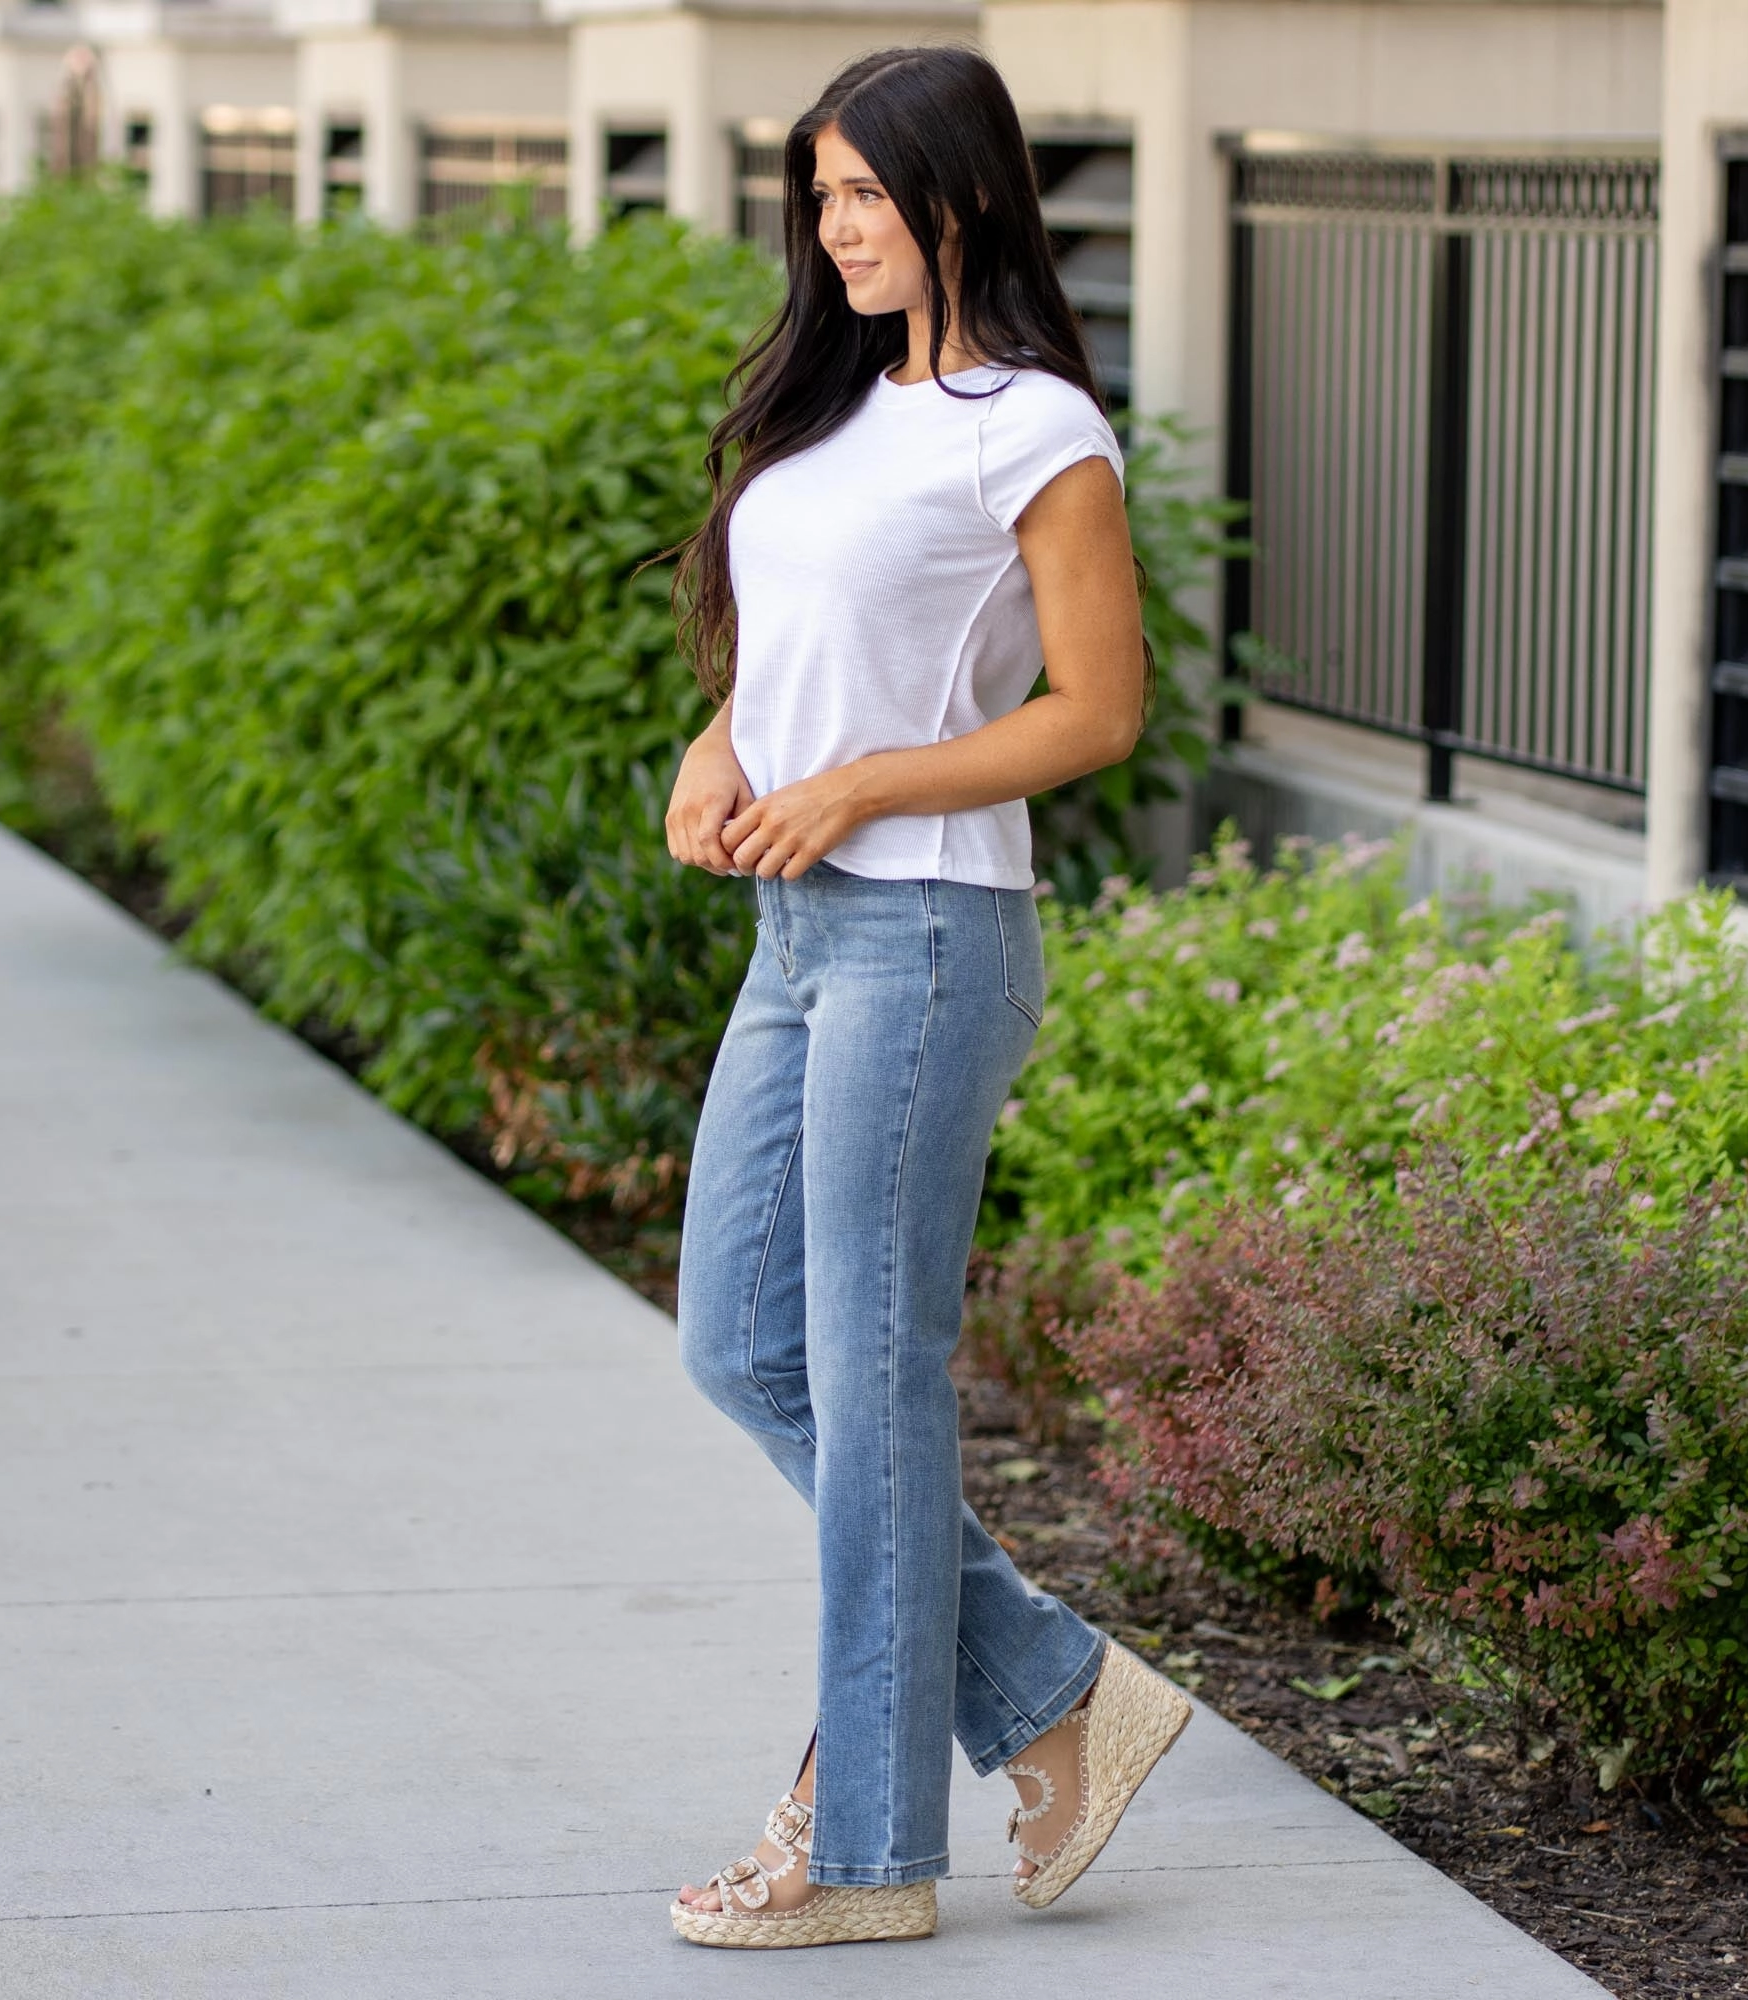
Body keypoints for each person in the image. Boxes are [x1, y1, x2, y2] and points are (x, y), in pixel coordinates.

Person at [661, 43, 1192, 1950]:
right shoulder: (841, 407)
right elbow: (806, 633)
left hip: (926, 928)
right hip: (796, 936)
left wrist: (864, 782)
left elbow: (1099, 708)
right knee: (740, 1341)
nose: (837, 230)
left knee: (875, 1387)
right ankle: (1050, 1689)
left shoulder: (1028, 426)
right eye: (819, 200)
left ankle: (869, 1846)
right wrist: (722, 740)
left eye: (866, 196)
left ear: (960, 192)